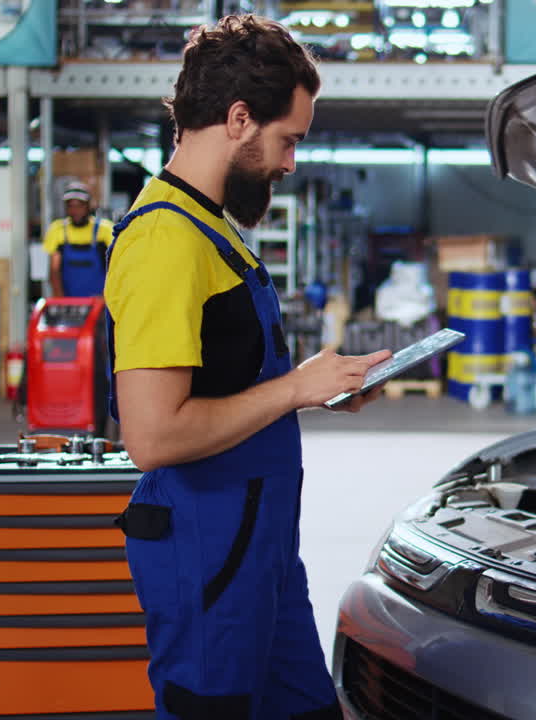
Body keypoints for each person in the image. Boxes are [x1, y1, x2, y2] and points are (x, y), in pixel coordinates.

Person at [103, 15, 390, 720]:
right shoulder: (165, 241)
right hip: (208, 562)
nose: (291, 162)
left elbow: (230, 384)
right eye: (288, 139)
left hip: (261, 554)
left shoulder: (211, 227)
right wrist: (293, 387)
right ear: (238, 119)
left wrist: (311, 393)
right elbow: (153, 436)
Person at [41, 182, 114, 297]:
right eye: (71, 206)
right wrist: (61, 301)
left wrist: (107, 298)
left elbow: (114, 266)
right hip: (69, 301)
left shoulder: (105, 229)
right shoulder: (57, 229)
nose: (75, 211)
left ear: (88, 206)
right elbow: (54, 270)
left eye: (80, 206)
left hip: (100, 302)